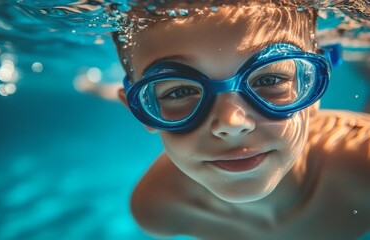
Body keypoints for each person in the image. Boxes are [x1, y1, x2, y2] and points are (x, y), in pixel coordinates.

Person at [112, 1, 370, 239]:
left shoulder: (363, 165)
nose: (231, 123)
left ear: (315, 89)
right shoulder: (161, 209)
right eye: (180, 92)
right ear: (138, 109)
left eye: (269, 80)